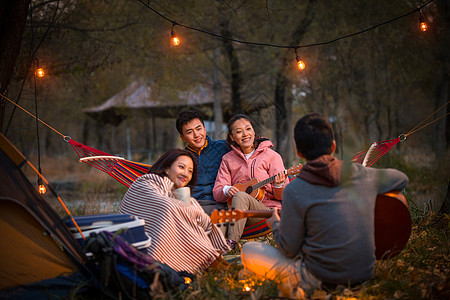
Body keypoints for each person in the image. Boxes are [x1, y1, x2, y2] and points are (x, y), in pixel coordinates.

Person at [241, 113, 409, 296]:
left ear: (299, 153)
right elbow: (401, 179)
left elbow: (288, 249)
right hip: (363, 273)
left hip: (318, 279)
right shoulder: (362, 174)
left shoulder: (295, 190)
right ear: (333, 146)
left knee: (248, 250)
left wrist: (274, 223)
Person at [119, 149, 230, 274]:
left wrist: (191, 206)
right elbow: (165, 207)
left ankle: (207, 261)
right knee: (171, 210)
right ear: (167, 168)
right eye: (181, 167)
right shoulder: (146, 183)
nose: (186, 174)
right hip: (134, 245)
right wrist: (190, 210)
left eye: (190, 171)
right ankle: (209, 260)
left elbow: (203, 222)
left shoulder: (174, 194)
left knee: (183, 211)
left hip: (150, 240)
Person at [213, 114, 288, 246]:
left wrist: (279, 184)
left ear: (254, 131)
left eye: (248, 129)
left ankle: (231, 242)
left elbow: (284, 196)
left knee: (240, 196)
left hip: (266, 212)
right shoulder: (227, 159)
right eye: (238, 131)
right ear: (232, 137)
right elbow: (218, 192)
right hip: (238, 213)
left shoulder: (272, 156)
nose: (245, 134)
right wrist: (227, 190)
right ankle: (213, 254)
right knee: (219, 216)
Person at [176, 110, 231, 215]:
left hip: (221, 204)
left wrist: (260, 142)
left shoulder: (224, 147)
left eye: (199, 129)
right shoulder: (180, 159)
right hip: (194, 206)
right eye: (189, 132)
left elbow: (247, 150)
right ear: (182, 138)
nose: (196, 135)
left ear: (205, 129)